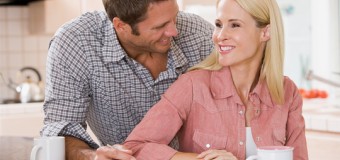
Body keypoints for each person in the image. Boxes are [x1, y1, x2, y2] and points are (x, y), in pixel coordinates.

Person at [123, 0, 309, 159]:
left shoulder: (287, 92)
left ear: (265, 33)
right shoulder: (193, 85)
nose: (220, 36)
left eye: (234, 25)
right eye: (219, 24)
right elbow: (136, 147)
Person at [41, 0, 214, 159]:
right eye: (159, 26)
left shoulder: (200, 35)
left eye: (175, 17)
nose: (174, 31)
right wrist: (92, 157)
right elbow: (61, 127)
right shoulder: (76, 42)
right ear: (121, 26)